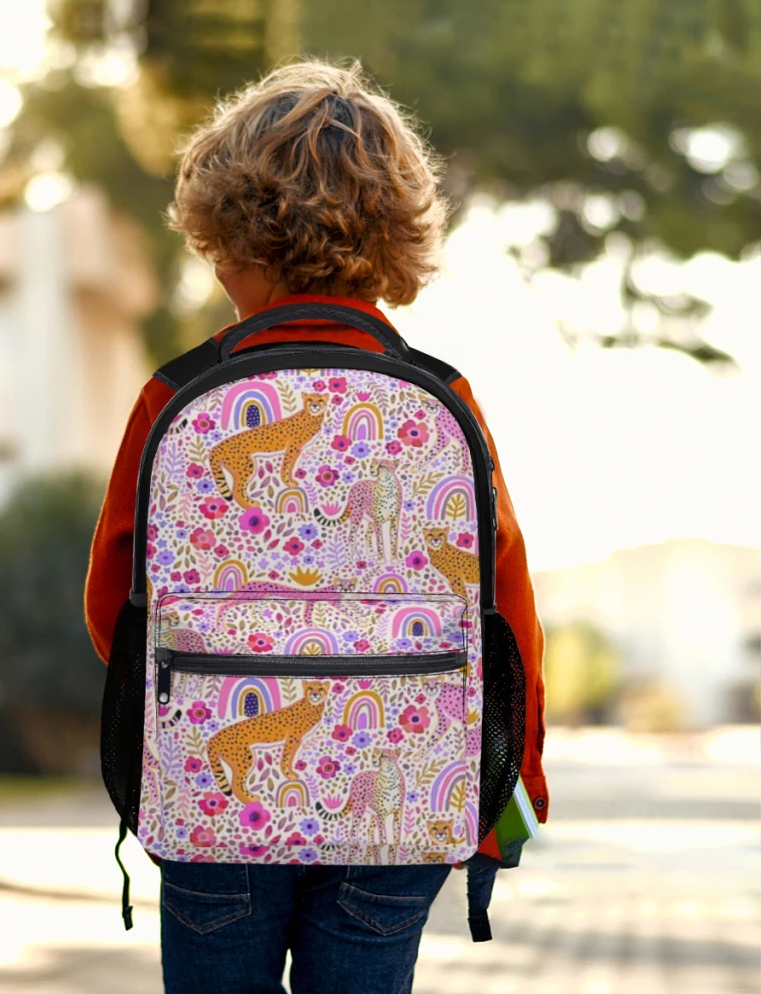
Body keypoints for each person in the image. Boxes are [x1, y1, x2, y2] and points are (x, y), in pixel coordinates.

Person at [85, 57, 547, 994]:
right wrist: (515, 778)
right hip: (399, 797)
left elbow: (112, 605)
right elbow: (503, 606)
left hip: (217, 805)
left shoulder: (176, 397)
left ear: (228, 239)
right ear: (397, 239)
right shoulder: (442, 398)